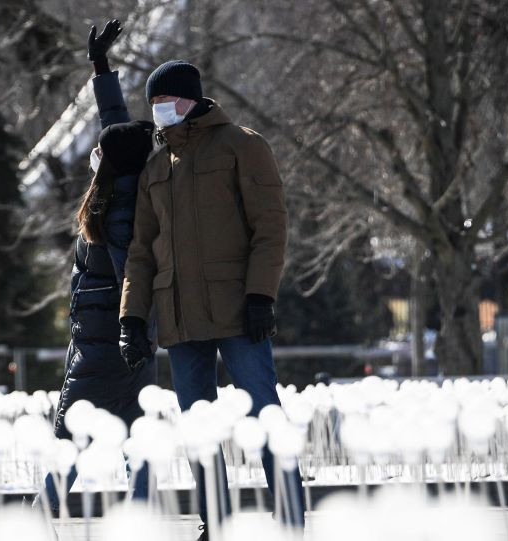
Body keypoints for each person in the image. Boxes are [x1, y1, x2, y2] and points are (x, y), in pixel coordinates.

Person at [117, 60, 306, 537]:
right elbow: (141, 250)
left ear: (189, 99)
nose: (157, 112)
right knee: (198, 429)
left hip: (239, 311)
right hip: (179, 316)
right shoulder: (156, 166)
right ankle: (214, 523)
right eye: (153, 104)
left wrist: (261, 294)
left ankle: (290, 521)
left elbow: (271, 225)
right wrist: (132, 319)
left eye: (164, 102)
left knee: (264, 415)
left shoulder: (243, 145)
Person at [36, 19, 158, 516]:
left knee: (69, 439)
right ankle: (143, 517)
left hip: (106, 344)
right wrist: (101, 68)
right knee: (139, 440)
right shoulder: (124, 186)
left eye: (100, 149)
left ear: (106, 160)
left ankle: (39, 518)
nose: (94, 150)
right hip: (119, 339)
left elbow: (132, 271)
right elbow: (118, 128)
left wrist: (129, 328)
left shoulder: (118, 205)